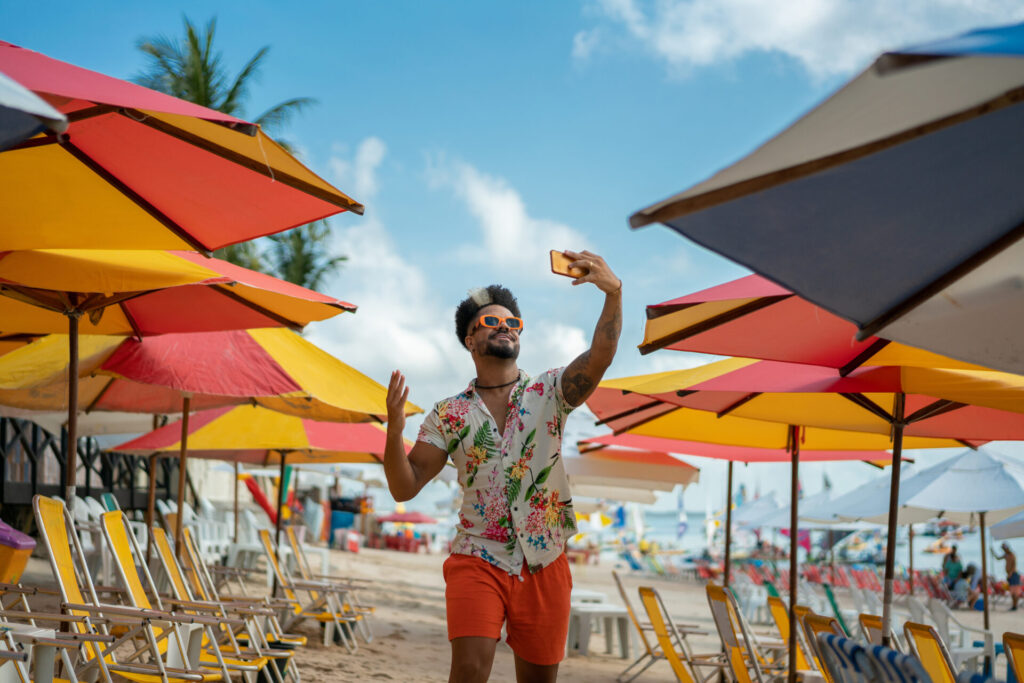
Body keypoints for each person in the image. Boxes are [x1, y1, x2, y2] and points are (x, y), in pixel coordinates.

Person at [383, 251, 621, 683]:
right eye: (492, 322)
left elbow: (601, 356)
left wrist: (613, 294)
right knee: (470, 671)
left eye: (513, 323)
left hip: (545, 560)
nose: (506, 327)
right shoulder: (448, 413)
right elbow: (405, 487)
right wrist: (394, 430)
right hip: (477, 556)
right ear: (470, 341)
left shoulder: (550, 391)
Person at [993, 542, 1020, 611]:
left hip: (1013, 574)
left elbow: (1014, 565)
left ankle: (1015, 605)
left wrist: (1010, 574)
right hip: (1010, 574)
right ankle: (1014, 605)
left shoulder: (1012, 555)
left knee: (1014, 591)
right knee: (1012, 591)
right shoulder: (1006, 555)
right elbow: (998, 558)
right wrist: (992, 552)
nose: (1004, 550)